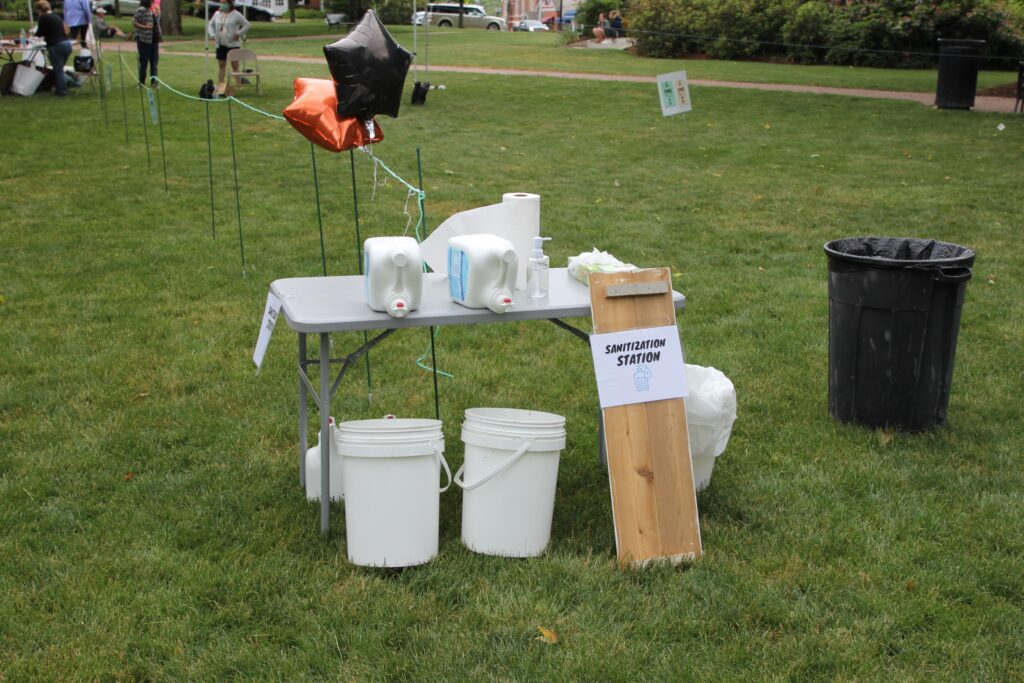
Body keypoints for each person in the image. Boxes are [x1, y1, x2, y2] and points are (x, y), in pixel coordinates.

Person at [207, 0, 250, 89]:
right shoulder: (217, 14)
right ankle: (221, 86)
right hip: (220, 44)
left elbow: (247, 25)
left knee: (235, 65)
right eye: (221, 2)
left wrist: (238, 33)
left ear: (230, 3)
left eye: (224, 2)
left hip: (233, 44)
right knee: (221, 65)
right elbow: (210, 25)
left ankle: (238, 85)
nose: (222, 4)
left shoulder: (236, 14)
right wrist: (213, 35)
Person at [33, 0, 73, 96]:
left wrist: (33, 33)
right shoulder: (57, 16)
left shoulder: (43, 17)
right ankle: (60, 86)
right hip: (67, 43)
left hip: (55, 45)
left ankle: (61, 91)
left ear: (39, 10)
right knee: (60, 69)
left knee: (58, 70)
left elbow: (40, 33)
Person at [133, 0, 160, 84]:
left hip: (153, 40)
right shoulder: (141, 10)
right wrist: (144, 27)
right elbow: (134, 22)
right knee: (144, 62)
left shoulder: (150, 10)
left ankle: (154, 81)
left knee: (154, 62)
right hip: (144, 40)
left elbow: (155, 23)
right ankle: (141, 82)